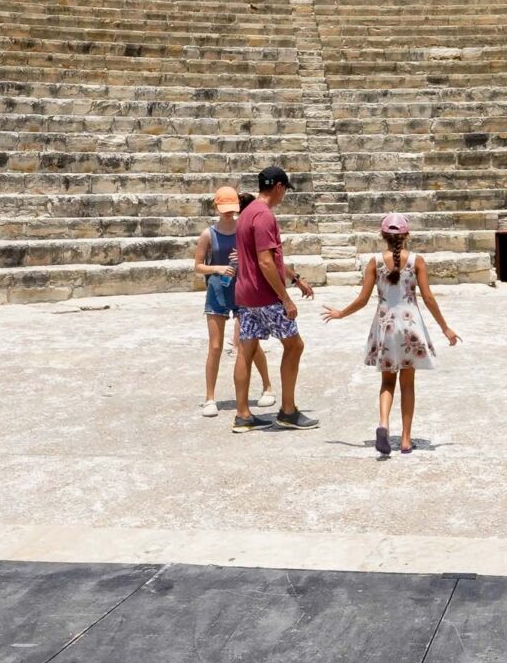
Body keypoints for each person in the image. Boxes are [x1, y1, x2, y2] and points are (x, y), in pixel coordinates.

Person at [323, 213, 460, 456]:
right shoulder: (417, 260)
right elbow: (427, 297)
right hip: (410, 327)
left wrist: (341, 313)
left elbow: (363, 299)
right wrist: (445, 327)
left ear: (383, 236)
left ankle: (383, 424)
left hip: (385, 327)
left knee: (387, 382)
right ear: (406, 235)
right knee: (408, 384)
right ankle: (406, 440)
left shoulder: (374, 262)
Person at [231, 164, 318, 432]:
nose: (284, 196)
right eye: (284, 191)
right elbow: (266, 262)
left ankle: (243, 415)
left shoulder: (246, 213)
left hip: (245, 296)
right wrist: (286, 299)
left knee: (245, 351)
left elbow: (271, 260)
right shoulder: (265, 215)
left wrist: (295, 278)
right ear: (279, 187)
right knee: (294, 346)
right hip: (266, 297)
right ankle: (288, 411)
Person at [194, 185, 270, 417]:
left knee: (247, 343)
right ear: (216, 207)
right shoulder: (208, 234)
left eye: (232, 209)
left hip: (241, 292)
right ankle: (210, 397)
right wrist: (217, 267)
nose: (229, 213)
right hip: (217, 292)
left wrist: (243, 258)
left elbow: (259, 259)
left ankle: (267, 386)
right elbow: (197, 267)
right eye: (224, 209)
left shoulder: (243, 230)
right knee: (215, 346)